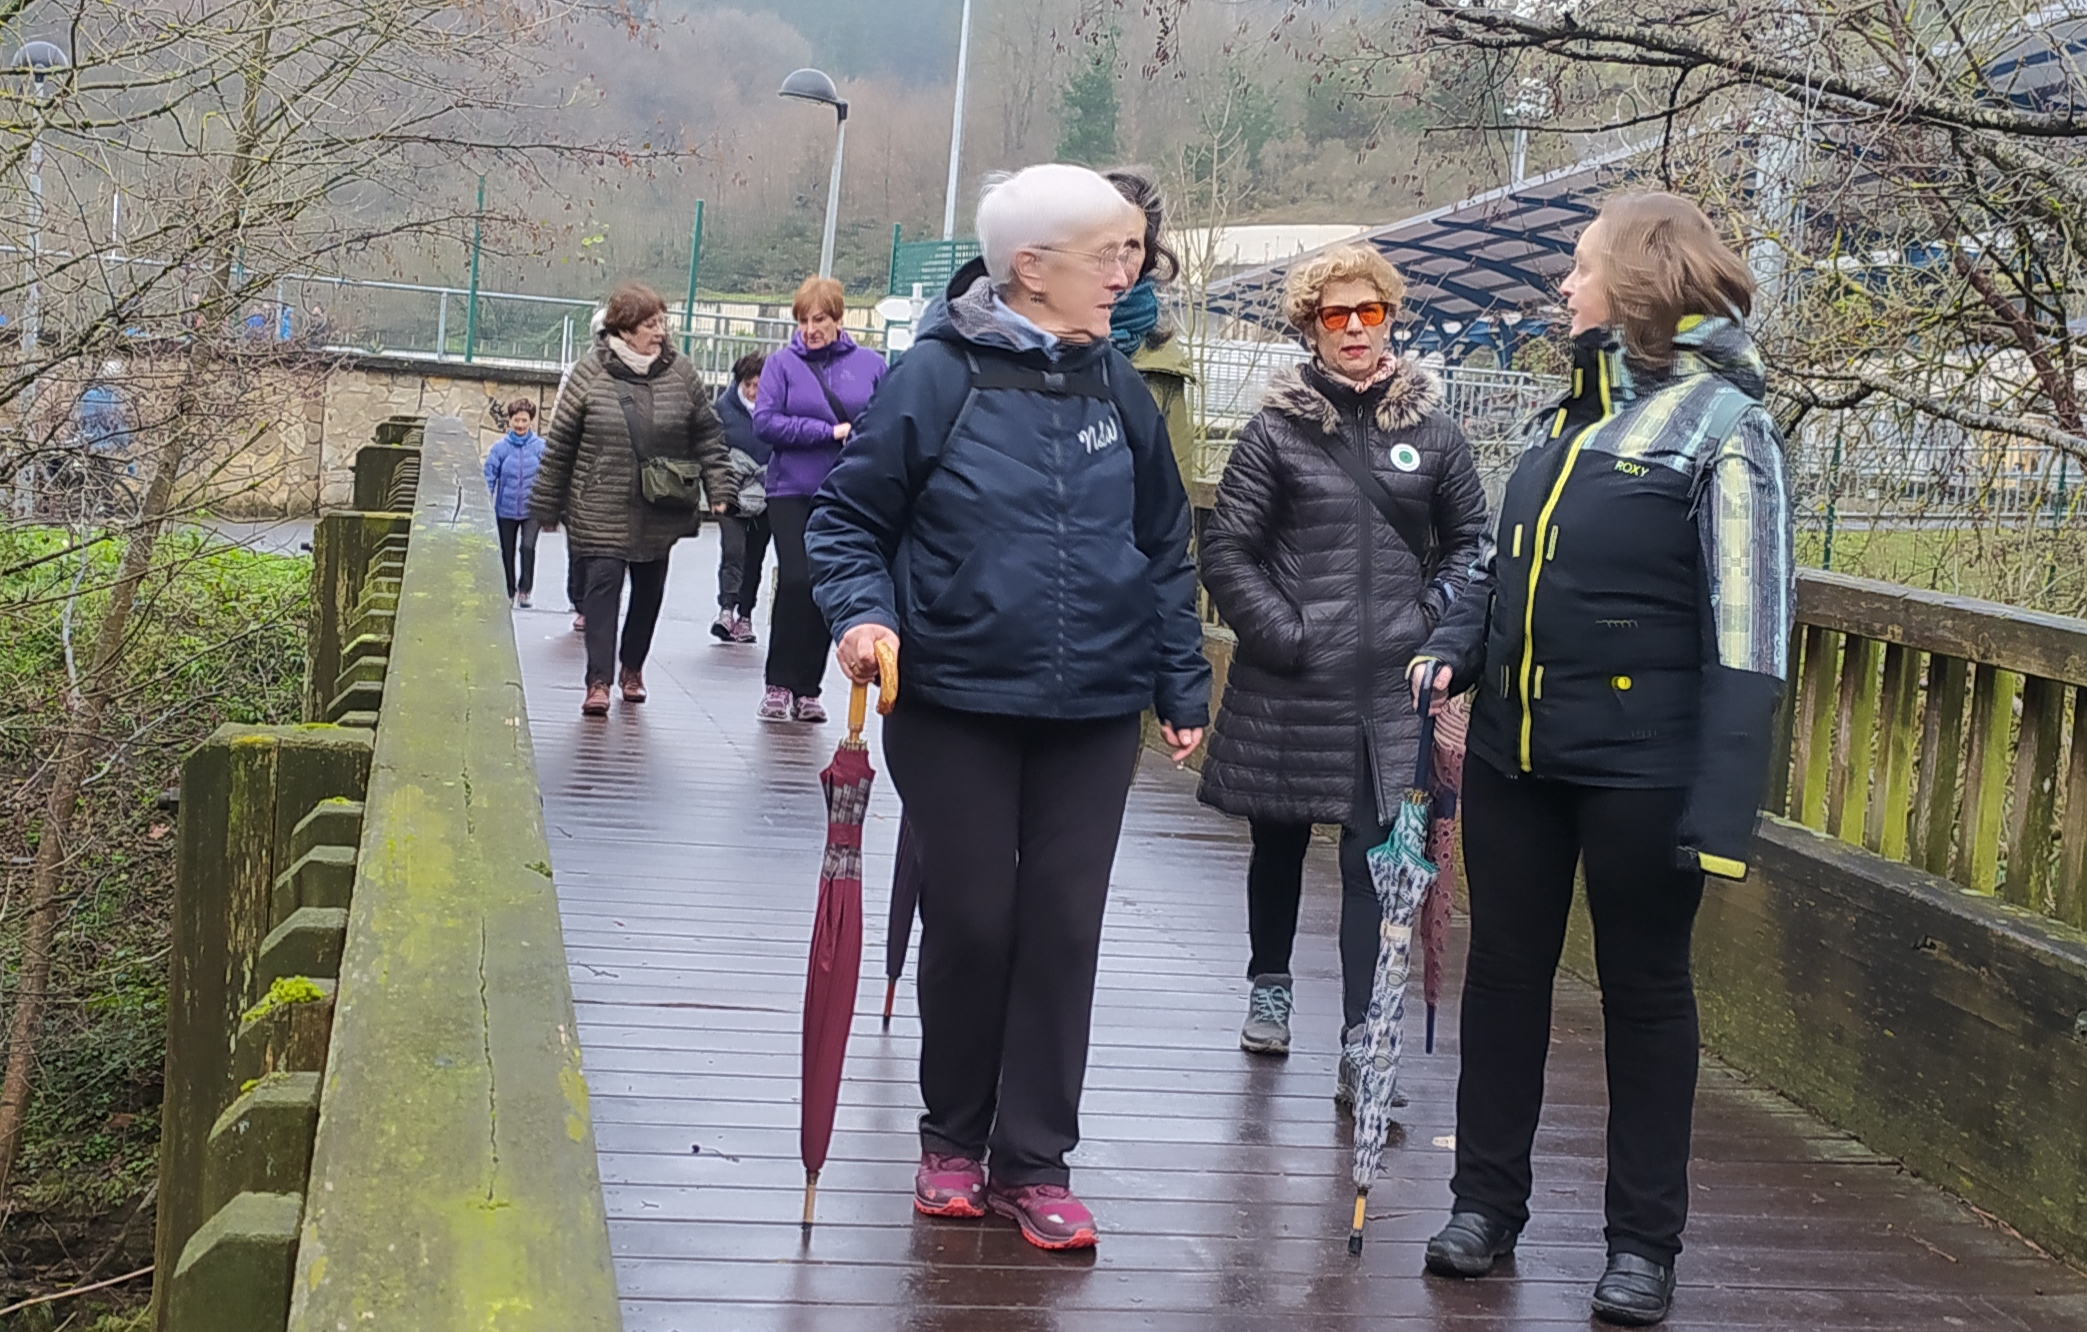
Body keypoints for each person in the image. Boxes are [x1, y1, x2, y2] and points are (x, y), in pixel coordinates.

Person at [807, 163, 1210, 1252]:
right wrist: (862, 616)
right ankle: (952, 1139)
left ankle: (1035, 1162)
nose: (1128, 276)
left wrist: (1181, 680)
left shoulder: (1117, 386)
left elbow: (1163, 543)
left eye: (1132, 254)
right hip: (954, 700)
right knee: (974, 919)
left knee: (1063, 928)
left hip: (1095, 707)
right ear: (1030, 268)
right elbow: (848, 522)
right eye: (1109, 255)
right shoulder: (936, 377)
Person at [1408, 193, 1793, 1327]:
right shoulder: (1559, 420)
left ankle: (1641, 1247)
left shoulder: (1727, 428)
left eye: (1579, 268)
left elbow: (1752, 626)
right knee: (1502, 978)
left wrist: (1720, 814)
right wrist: (1451, 646)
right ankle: (1483, 1207)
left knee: (1645, 995)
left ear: (1634, 284)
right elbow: (1499, 572)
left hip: (1644, 776)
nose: (1563, 287)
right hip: (1516, 759)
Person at [1195, 244, 1488, 1093]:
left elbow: (1471, 545)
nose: (1354, 328)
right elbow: (1227, 549)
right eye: (1335, 314)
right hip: (1290, 680)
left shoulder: (1434, 435)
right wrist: (1284, 634)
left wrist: (1429, 625)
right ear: (1309, 327)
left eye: (1370, 312)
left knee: (1372, 860)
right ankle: (1270, 982)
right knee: (1278, 840)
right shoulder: (1274, 432)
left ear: (1390, 319)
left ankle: (1363, 1041)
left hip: (1388, 688)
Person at [530, 281, 735, 716]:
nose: (660, 332)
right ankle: (598, 681)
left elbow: (708, 434)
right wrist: (545, 505)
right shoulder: (589, 373)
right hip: (598, 503)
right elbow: (560, 445)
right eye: (649, 324)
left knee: (648, 591)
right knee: (602, 589)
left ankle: (633, 668)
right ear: (623, 330)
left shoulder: (682, 373)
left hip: (658, 508)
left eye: (661, 322)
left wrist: (720, 489)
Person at [753, 275, 887, 723]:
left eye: (820, 320)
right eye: (804, 321)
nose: (810, 330)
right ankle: (778, 683)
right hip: (791, 489)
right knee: (797, 579)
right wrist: (827, 432)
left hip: (844, 492)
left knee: (825, 587)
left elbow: (885, 421)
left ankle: (808, 689)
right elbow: (765, 423)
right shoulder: (781, 365)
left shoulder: (870, 365)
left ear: (838, 319)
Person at [1104, 169, 1198, 490]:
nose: (1118, 261)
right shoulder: (1029, 344)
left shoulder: (1162, 363)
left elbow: (1175, 496)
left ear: (1147, 257)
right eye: (1105, 242)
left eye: (1132, 245)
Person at [712, 352, 771, 645]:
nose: (752, 391)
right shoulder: (723, 409)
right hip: (732, 490)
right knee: (733, 550)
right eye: (747, 385)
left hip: (765, 494)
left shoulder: (778, 407)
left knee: (755, 555)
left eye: (759, 385)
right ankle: (726, 608)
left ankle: (745, 615)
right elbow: (712, 449)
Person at [484, 398, 546, 604]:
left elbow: (550, 476)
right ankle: (509, 590)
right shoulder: (500, 448)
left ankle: (525, 590)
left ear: (531, 421)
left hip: (532, 509)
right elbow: (489, 475)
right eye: (516, 420)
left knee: (527, 548)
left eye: (524, 420)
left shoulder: (540, 448)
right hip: (506, 509)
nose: (520, 425)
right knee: (506, 551)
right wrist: (486, 499)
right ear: (510, 420)